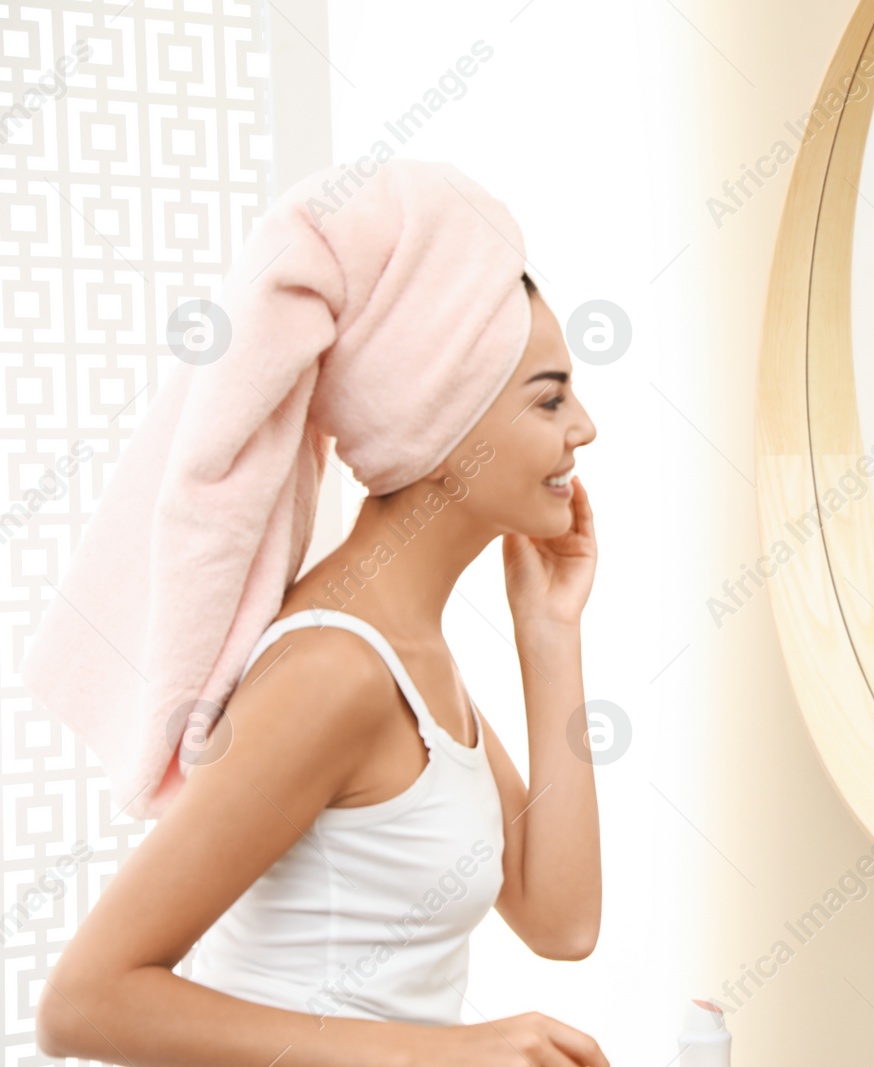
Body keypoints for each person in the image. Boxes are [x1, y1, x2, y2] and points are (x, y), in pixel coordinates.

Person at [30, 161, 610, 1066]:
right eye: (550, 395)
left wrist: (552, 636)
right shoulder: (336, 671)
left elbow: (562, 918)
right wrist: (450, 1053)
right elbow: (83, 1002)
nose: (585, 427)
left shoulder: (411, 659)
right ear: (442, 421)